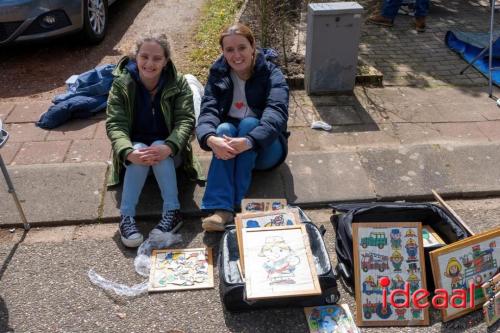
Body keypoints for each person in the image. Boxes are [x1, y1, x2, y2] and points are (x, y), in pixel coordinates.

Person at [106, 33, 203, 247]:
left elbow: (185, 121)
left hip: (170, 154)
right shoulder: (121, 85)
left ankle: (172, 211)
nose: (150, 63)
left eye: (157, 58)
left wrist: (169, 146)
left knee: (158, 145)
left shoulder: (178, 84)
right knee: (139, 147)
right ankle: (127, 217)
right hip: (135, 156)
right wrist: (128, 151)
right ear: (136, 56)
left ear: (166, 61)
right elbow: (115, 124)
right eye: (144, 56)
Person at [196, 23, 289, 232]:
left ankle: (233, 204)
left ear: (253, 46)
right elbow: (208, 111)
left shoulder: (272, 73)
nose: (236, 55)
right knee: (222, 130)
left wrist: (249, 141)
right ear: (223, 52)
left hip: (265, 148)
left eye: (241, 47)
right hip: (232, 144)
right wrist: (210, 138)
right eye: (229, 50)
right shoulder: (218, 73)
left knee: (248, 124)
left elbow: (277, 114)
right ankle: (220, 210)